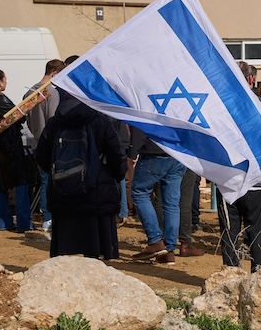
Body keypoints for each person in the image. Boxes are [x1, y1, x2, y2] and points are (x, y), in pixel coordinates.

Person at [34, 87, 127, 259]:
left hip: (63, 195)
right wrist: (118, 174)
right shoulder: (100, 120)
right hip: (97, 194)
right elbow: (116, 153)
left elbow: (41, 155)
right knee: (96, 256)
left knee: (65, 256)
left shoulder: (55, 122)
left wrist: (61, 172)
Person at [218, 61, 261, 273]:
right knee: (258, 229)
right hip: (257, 177)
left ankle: (230, 273)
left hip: (227, 176)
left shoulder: (218, 109)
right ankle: (259, 273)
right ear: (251, 79)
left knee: (229, 230)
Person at [0, 69, 35, 233]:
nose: (6, 83)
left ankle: (3, 221)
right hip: (11, 145)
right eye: (5, 80)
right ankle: (24, 222)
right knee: (21, 182)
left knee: (3, 183)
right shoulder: (1, 99)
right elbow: (19, 116)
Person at [127, 128, 186, 264]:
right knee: (172, 203)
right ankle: (169, 250)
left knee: (139, 193)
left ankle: (155, 240)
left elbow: (141, 123)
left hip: (153, 151)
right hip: (178, 152)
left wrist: (132, 151)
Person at [25, 58, 65, 232]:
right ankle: (49, 218)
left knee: (43, 181)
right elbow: (53, 120)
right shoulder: (52, 93)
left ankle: (47, 218)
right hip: (50, 144)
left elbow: (27, 118)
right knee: (50, 182)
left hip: (36, 142)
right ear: (54, 73)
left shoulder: (30, 92)